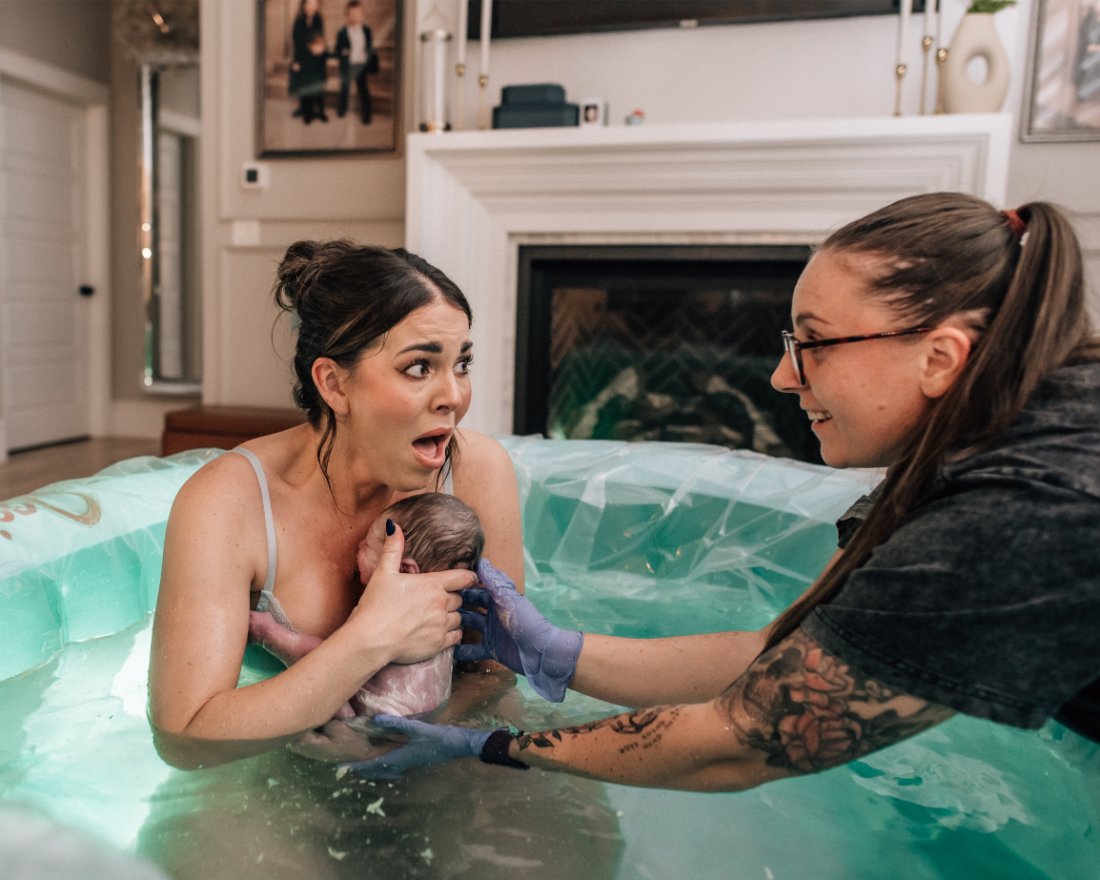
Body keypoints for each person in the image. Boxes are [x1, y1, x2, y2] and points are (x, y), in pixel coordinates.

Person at [344, 192, 1100, 787]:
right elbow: (788, 655)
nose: (780, 376)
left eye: (814, 343)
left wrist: (490, 745)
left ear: (940, 358)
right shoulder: (992, 439)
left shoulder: (1022, 511)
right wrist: (559, 651)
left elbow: (742, 741)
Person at [147, 241, 524, 770]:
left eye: (461, 363)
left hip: (442, 744)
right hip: (284, 768)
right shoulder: (230, 503)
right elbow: (185, 738)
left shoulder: (476, 471)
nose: (454, 396)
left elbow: (493, 670)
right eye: (419, 367)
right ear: (334, 383)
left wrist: (401, 739)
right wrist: (371, 638)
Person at [248, 491, 485, 721]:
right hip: (424, 719)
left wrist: (267, 632)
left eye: (368, 545)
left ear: (403, 568)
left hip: (366, 724)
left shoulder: (387, 613)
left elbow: (325, 662)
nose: (358, 544)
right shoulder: (443, 616)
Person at [335, 0, 374, 124]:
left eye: (357, 13)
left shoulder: (366, 30)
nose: (355, 16)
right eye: (351, 13)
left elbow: (369, 46)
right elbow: (338, 49)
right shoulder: (343, 32)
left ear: (362, 13)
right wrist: (343, 52)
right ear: (347, 15)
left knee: (363, 90)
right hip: (348, 64)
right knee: (344, 88)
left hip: (361, 64)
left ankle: (367, 115)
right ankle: (342, 110)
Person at [290, 0, 328, 124]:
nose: (311, 7)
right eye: (308, 4)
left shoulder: (319, 19)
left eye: (314, 4)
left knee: (318, 85)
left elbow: (321, 38)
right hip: (304, 58)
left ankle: (321, 111)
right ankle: (307, 112)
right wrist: (296, 61)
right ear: (304, 5)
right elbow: (297, 43)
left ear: (317, 5)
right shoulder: (299, 21)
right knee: (305, 85)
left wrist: (320, 47)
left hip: (317, 59)